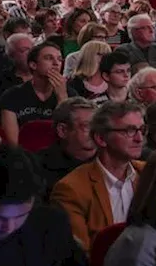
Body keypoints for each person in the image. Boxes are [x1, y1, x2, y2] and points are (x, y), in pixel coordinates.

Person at [50, 100, 148, 250]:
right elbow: (81, 256)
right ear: (101, 139)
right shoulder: (71, 189)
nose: (139, 139)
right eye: (129, 130)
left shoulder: (150, 175)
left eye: (141, 130)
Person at [0, 42, 67, 145]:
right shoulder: (12, 95)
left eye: (59, 59)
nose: (56, 63)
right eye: (48, 58)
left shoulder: (69, 93)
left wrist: (62, 97)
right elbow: (13, 143)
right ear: (33, 65)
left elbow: (68, 136)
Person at [37, 98, 97, 192]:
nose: (96, 132)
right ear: (63, 130)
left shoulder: (111, 163)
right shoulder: (38, 166)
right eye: (87, 126)